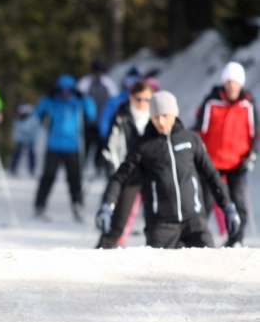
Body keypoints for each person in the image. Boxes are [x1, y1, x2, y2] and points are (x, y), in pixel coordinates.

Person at [95, 90, 241, 249]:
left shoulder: (190, 140)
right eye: (156, 116)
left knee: (208, 266)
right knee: (161, 271)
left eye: (165, 115)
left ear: (174, 114)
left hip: (194, 221)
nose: (161, 121)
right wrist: (107, 206)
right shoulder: (143, 145)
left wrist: (227, 206)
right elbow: (120, 178)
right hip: (161, 224)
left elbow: (211, 175)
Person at [194, 61, 259, 247]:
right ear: (224, 82)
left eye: (235, 82)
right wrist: (201, 157)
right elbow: (200, 133)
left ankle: (235, 239)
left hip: (237, 163)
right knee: (205, 202)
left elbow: (256, 135)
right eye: (229, 81)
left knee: (238, 202)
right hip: (212, 163)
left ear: (241, 84)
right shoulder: (211, 102)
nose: (231, 86)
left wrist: (251, 157)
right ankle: (200, 239)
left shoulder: (248, 105)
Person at [96, 80, 154, 248]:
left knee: (159, 224)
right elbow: (111, 144)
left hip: (151, 174)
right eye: (139, 99)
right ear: (131, 98)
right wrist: (112, 166)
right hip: (129, 174)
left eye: (147, 99)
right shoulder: (121, 117)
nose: (143, 103)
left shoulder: (157, 117)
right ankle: (102, 251)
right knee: (118, 223)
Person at [33, 74, 97, 223]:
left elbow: (91, 114)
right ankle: (39, 205)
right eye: (63, 89)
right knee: (48, 176)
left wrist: (84, 98)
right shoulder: (53, 101)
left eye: (69, 90)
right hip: (53, 145)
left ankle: (77, 205)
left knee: (75, 178)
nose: (65, 93)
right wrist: (47, 98)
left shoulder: (77, 102)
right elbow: (38, 112)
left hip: (73, 146)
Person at [77, 59, 118, 173]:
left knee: (101, 146)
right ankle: (82, 165)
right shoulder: (86, 82)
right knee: (87, 146)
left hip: (102, 122)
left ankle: (98, 166)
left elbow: (114, 100)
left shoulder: (108, 83)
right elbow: (78, 95)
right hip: (88, 122)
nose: (98, 73)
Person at [98, 66, 141, 142]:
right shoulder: (115, 100)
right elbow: (105, 118)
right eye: (129, 80)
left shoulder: (142, 100)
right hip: (116, 139)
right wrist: (106, 136)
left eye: (135, 81)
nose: (131, 84)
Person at [10, 103, 41, 176]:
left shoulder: (33, 119)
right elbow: (16, 131)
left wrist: (32, 138)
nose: (18, 114)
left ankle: (32, 170)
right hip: (21, 140)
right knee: (17, 153)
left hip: (31, 140)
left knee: (31, 154)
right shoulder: (18, 120)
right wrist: (19, 138)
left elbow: (36, 130)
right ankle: (13, 169)